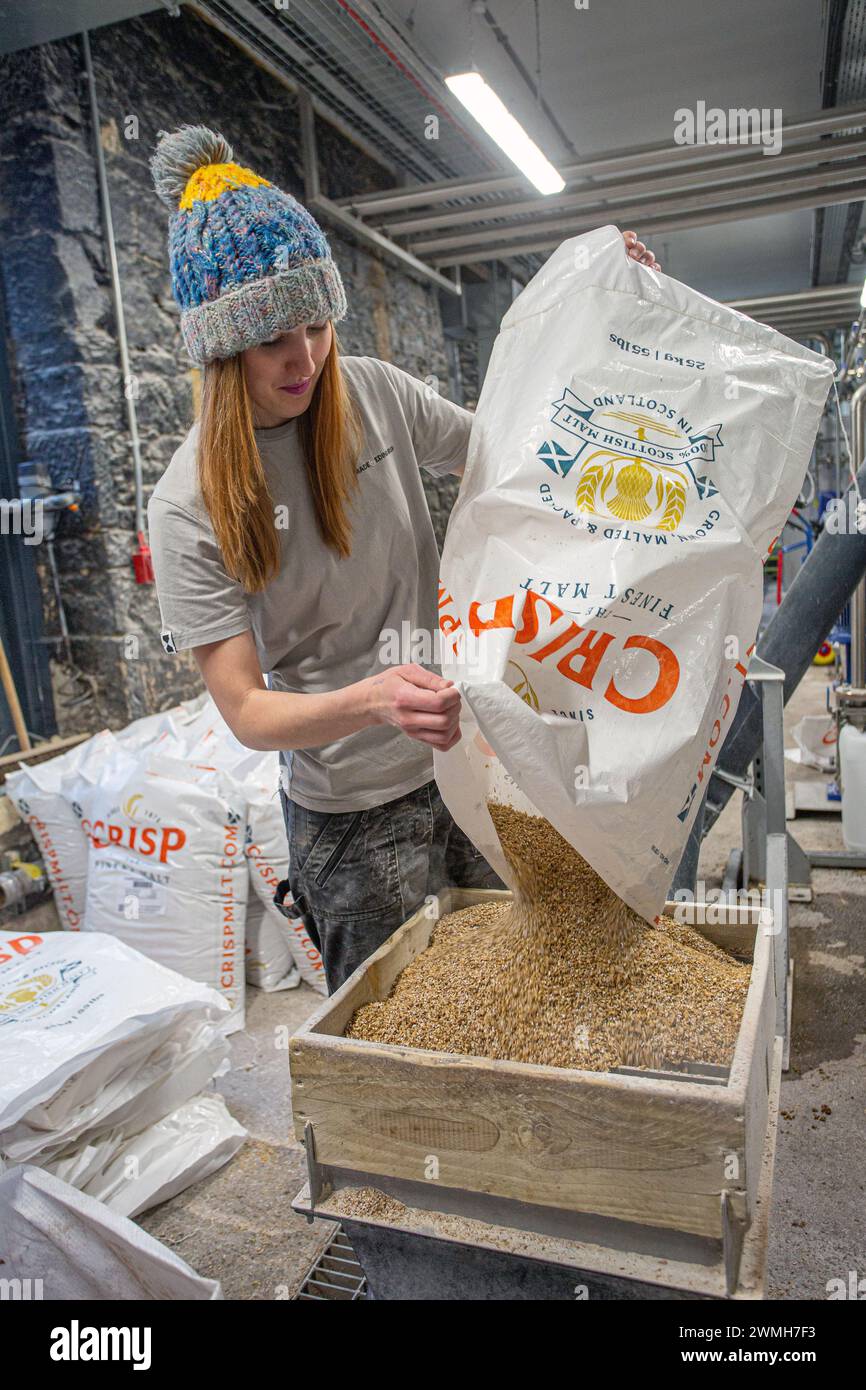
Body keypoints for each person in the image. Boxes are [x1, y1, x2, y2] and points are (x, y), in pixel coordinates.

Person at [146, 124, 661, 993]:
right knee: (393, 1036)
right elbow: (244, 710)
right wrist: (374, 699)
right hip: (348, 817)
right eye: (274, 337)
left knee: (516, 988)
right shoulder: (189, 501)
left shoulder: (374, 395)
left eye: (316, 324)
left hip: (466, 762)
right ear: (222, 350)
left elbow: (517, 450)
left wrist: (601, 310)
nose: (304, 357)